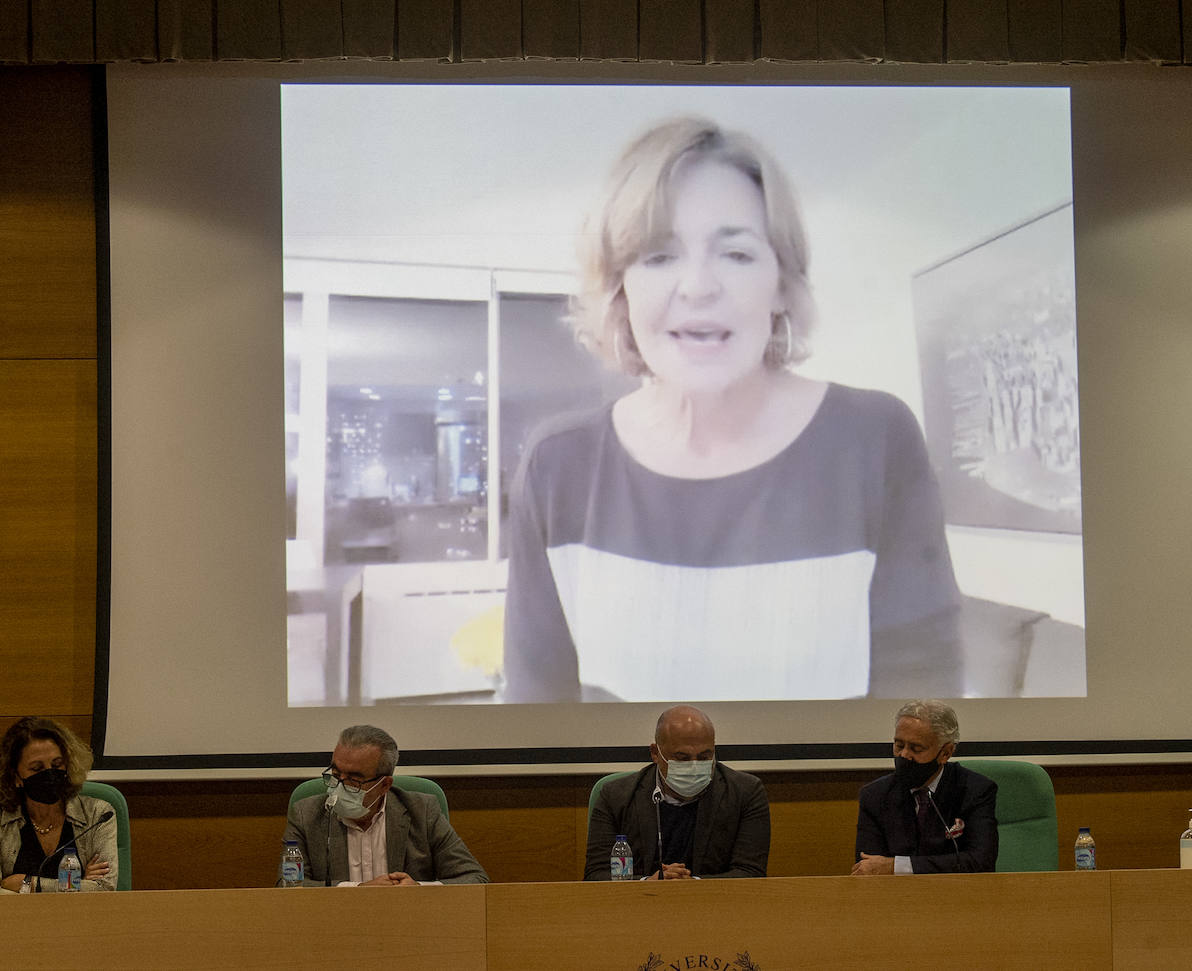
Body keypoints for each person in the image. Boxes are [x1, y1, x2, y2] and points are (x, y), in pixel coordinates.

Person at [503, 115, 962, 703]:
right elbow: (538, 717)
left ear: (780, 285)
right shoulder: (558, 466)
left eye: (737, 255)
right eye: (659, 256)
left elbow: (923, 711)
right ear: (621, 289)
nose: (697, 286)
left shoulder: (875, 440)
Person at [283, 725, 488, 886]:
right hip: (333, 927)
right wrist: (356, 890)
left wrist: (419, 888)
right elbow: (289, 885)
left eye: (354, 780)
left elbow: (475, 878)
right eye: (336, 775)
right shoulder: (306, 815)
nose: (339, 786)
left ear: (385, 785)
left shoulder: (423, 811)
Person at [585, 705, 769, 880]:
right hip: (638, 905)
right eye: (683, 758)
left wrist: (692, 884)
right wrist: (646, 882)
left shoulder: (746, 793)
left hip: (715, 905)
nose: (694, 765)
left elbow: (751, 873)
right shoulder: (615, 796)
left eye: (705, 757)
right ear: (655, 753)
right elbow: (596, 875)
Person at [0, 716, 117, 893]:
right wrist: (76, 886)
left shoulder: (99, 815)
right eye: (37, 768)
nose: (49, 774)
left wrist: (28, 884)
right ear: (16, 776)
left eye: (57, 764)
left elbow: (105, 889)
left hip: (79, 917)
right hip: (10, 919)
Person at [852, 699, 997, 874]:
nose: (904, 755)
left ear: (945, 753)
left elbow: (980, 862)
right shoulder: (875, 796)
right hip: (895, 898)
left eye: (916, 748)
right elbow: (869, 867)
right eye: (899, 745)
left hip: (959, 894)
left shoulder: (975, 790)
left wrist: (896, 866)